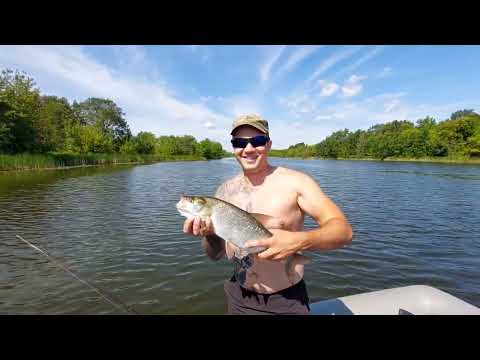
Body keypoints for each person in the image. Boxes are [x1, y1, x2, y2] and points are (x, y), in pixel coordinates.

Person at [182, 114, 353, 314]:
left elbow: (344, 231)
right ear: (233, 148)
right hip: (238, 297)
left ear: (269, 144)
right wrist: (209, 234)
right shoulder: (223, 192)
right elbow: (215, 255)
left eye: (257, 141)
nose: (248, 149)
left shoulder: (297, 182)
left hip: (285, 301)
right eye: (239, 142)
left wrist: (299, 241)